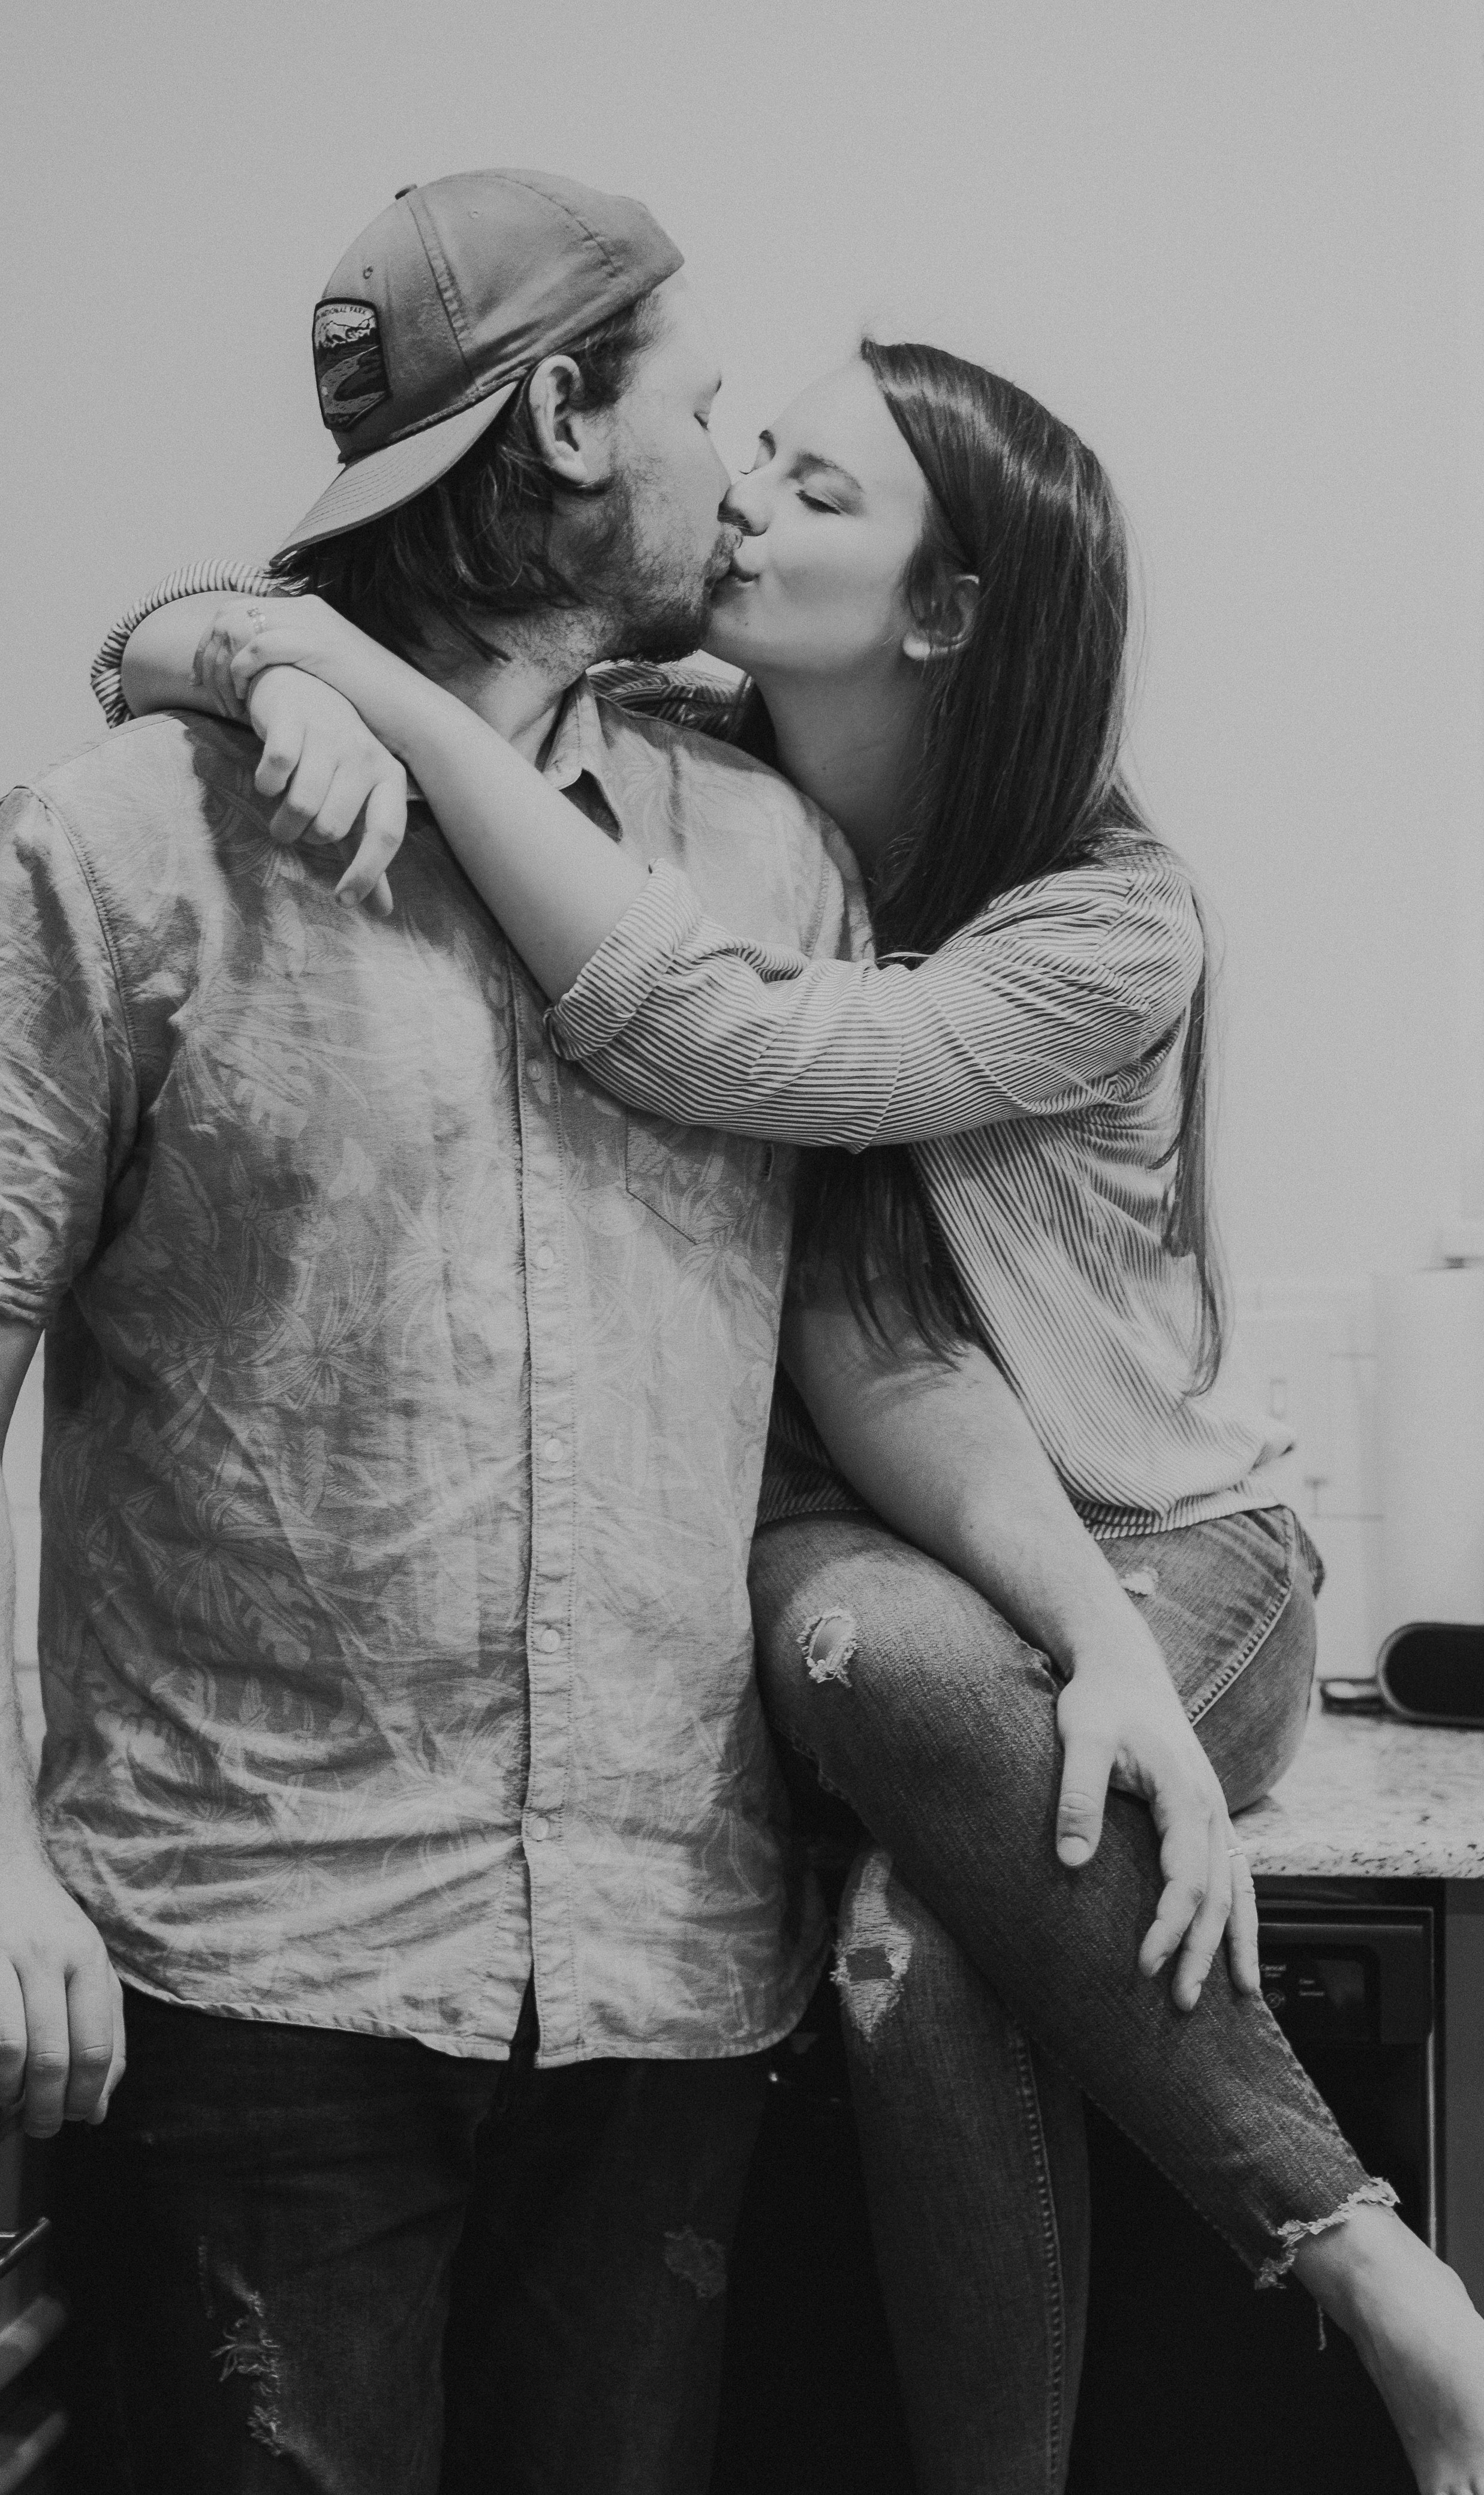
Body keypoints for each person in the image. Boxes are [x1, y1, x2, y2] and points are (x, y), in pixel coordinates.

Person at [0, 172, 1210, 2495]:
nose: (730, 461)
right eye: (693, 401)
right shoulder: (115, 848)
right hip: (258, 1977)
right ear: (565, 418)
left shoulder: (763, 864)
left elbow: (869, 1336)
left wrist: (1102, 1627)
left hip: (671, 1978)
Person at [112, 338, 1484, 2493]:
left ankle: (1366, 2268)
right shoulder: (687, 762)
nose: (736, 496)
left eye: (814, 490)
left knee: (917, 1925)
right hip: (878, 1540)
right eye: (748, 451)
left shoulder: (1106, 921)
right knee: (859, 1691)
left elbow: (731, 1051)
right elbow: (179, 626)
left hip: (1162, 1554)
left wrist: (1117, 1654)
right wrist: (287, 675)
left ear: (940, 615)